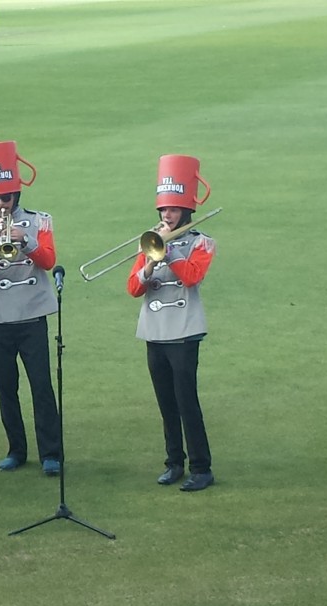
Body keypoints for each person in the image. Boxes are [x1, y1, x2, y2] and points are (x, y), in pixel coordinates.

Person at [0, 141, 62, 476]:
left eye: (5, 198)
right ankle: (16, 449)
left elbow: (49, 261)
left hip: (32, 314)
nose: (0, 205)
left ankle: (51, 452)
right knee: (5, 387)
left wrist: (28, 240)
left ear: (16, 196)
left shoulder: (41, 222)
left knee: (41, 384)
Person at [126, 154, 216, 492]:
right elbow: (133, 288)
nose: (167, 216)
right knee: (166, 403)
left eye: (174, 210)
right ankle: (174, 462)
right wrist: (149, 263)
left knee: (186, 401)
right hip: (154, 332)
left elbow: (192, 277)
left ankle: (202, 467)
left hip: (184, 332)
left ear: (186, 212)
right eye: (164, 211)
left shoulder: (201, 242)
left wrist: (170, 251)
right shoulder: (148, 241)